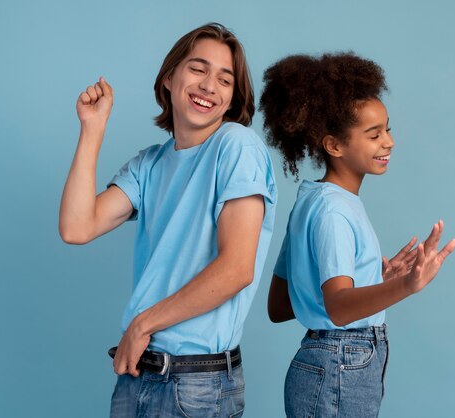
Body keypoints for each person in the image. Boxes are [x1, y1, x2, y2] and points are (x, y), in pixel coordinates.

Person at [59, 23, 276, 418]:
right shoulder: (150, 163)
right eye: (198, 69)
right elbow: (77, 227)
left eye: (224, 79)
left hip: (196, 385)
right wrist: (92, 130)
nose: (209, 85)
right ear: (168, 78)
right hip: (136, 375)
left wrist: (142, 326)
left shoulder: (237, 146)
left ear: (231, 99)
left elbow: (237, 268)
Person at [260, 53, 455, 418]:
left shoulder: (312, 200)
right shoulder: (335, 210)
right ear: (334, 145)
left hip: (324, 364)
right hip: (341, 364)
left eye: (387, 128)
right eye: (374, 134)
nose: (389, 142)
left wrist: (374, 280)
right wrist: (405, 286)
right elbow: (337, 308)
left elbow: (281, 305)